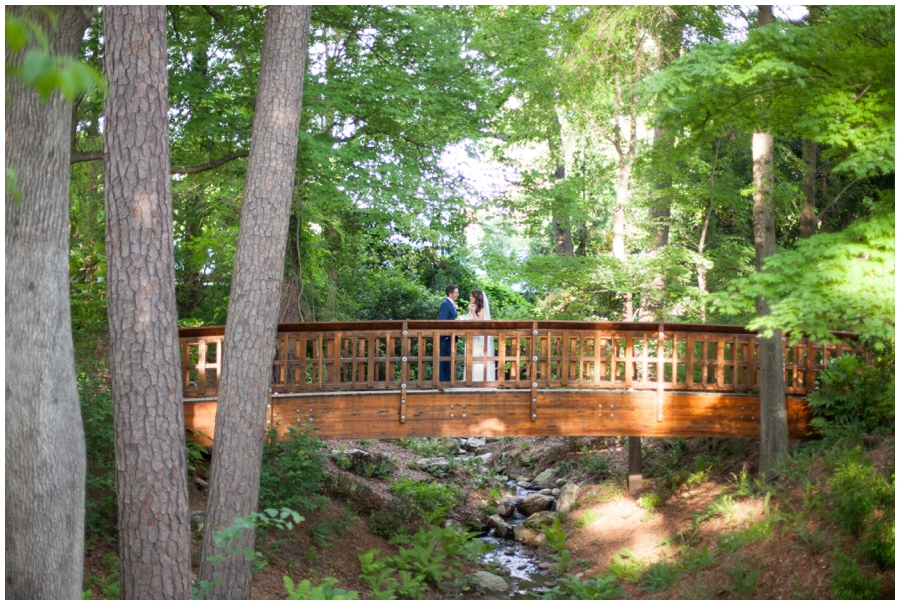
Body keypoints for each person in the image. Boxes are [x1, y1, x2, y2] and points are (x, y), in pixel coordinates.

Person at [459, 289, 494, 382]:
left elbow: (479, 324)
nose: (470, 297)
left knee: (478, 357)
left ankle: (479, 380)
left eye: (471, 296)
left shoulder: (482, 310)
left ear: (476, 298)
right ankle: (469, 379)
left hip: (479, 339)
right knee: (469, 357)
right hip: (471, 337)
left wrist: (473, 312)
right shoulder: (472, 309)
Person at [438, 284, 459, 382]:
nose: (458, 294)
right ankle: (442, 383)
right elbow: (442, 321)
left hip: (452, 336)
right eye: (456, 293)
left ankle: (448, 382)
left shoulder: (451, 304)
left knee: (449, 360)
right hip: (446, 337)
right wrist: (445, 335)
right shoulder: (445, 304)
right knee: (444, 360)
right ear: (450, 294)